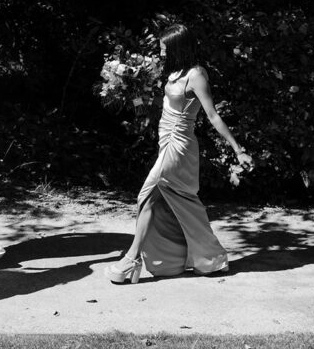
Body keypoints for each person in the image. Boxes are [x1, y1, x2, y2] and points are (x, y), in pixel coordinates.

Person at [105, 23, 254, 284]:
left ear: (178, 47)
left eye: (164, 48)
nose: (161, 52)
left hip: (179, 144)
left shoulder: (196, 75)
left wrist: (238, 150)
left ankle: (132, 259)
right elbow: (167, 107)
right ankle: (181, 261)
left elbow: (212, 115)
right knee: (167, 201)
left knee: (147, 195)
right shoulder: (174, 72)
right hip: (166, 140)